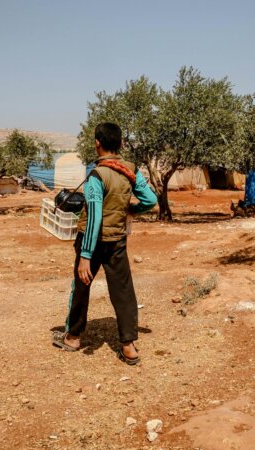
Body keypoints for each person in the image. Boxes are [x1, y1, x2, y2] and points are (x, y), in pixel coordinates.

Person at [52, 122, 157, 365]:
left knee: (81, 286)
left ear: (97, 143)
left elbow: (95, 217)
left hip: (93, 242)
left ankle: (73, 337)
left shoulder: (97, 175)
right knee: (123, 291)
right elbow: (150, 199)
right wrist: (132, 209)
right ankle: (129, 346)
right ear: (120, 144)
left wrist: (86, 255)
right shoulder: (130, 170)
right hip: (117, 241)